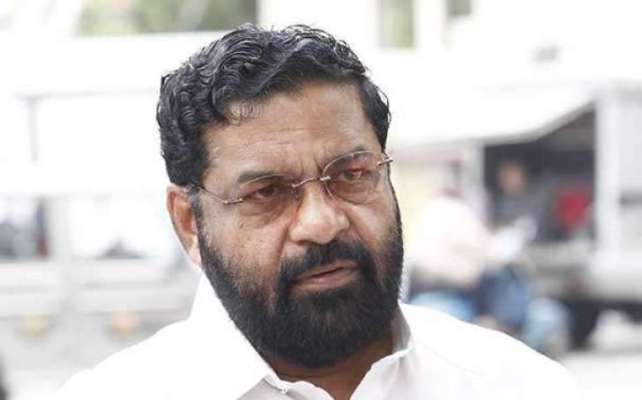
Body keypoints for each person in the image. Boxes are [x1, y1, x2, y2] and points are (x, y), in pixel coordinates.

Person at [56, 24, 577, 399]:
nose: (322, 222)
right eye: (267, 192)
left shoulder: (517, 386)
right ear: (189, 223)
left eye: (351, 175)